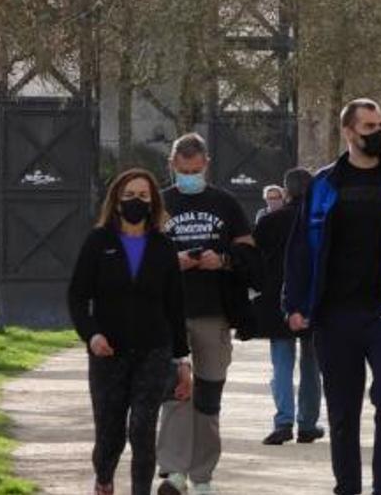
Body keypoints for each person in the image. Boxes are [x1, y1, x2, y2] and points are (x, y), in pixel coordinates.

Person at [283, 98, 381, 495]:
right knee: (342, 414)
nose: (378, 133)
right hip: (335, 318)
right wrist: (295, 305)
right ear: (349, 132)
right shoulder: (323, 186)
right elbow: (300, 249)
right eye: (369, 127)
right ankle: (347, 488)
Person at [69, 169, 192, 495]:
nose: (136, 201)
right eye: (129, 195)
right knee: (110, 434)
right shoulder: (98, 242)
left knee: (141, 428)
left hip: (154, 350)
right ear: (116, 201)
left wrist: (182, 361)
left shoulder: (164, 246)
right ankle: (104, 478)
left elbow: (175, 306)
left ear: (152, 202)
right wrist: (92, 335)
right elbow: (78, 297)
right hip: (108, 353)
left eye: (143, 196)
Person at [157, 133, 255, 495]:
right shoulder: (160, 203)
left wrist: (224, 260)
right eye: (184, 170)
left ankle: (202, 475)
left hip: (215, 311)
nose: (190, 176)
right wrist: (172, 263)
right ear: (172, 165)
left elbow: (251, 257)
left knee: (209, 396)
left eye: (196, 170)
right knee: (176, 393)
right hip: (171, 311)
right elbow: (139, 257)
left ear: (207, 164)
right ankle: (173, 470)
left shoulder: (226, 204)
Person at [252, 168, 324, 445]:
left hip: (276, 300)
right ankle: (307, 423)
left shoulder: (270, 222)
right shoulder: (320, 222)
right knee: (311, 363)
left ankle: (284, 420)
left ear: (286, 191)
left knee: (281, 362)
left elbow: (254, 260)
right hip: (313, 298)